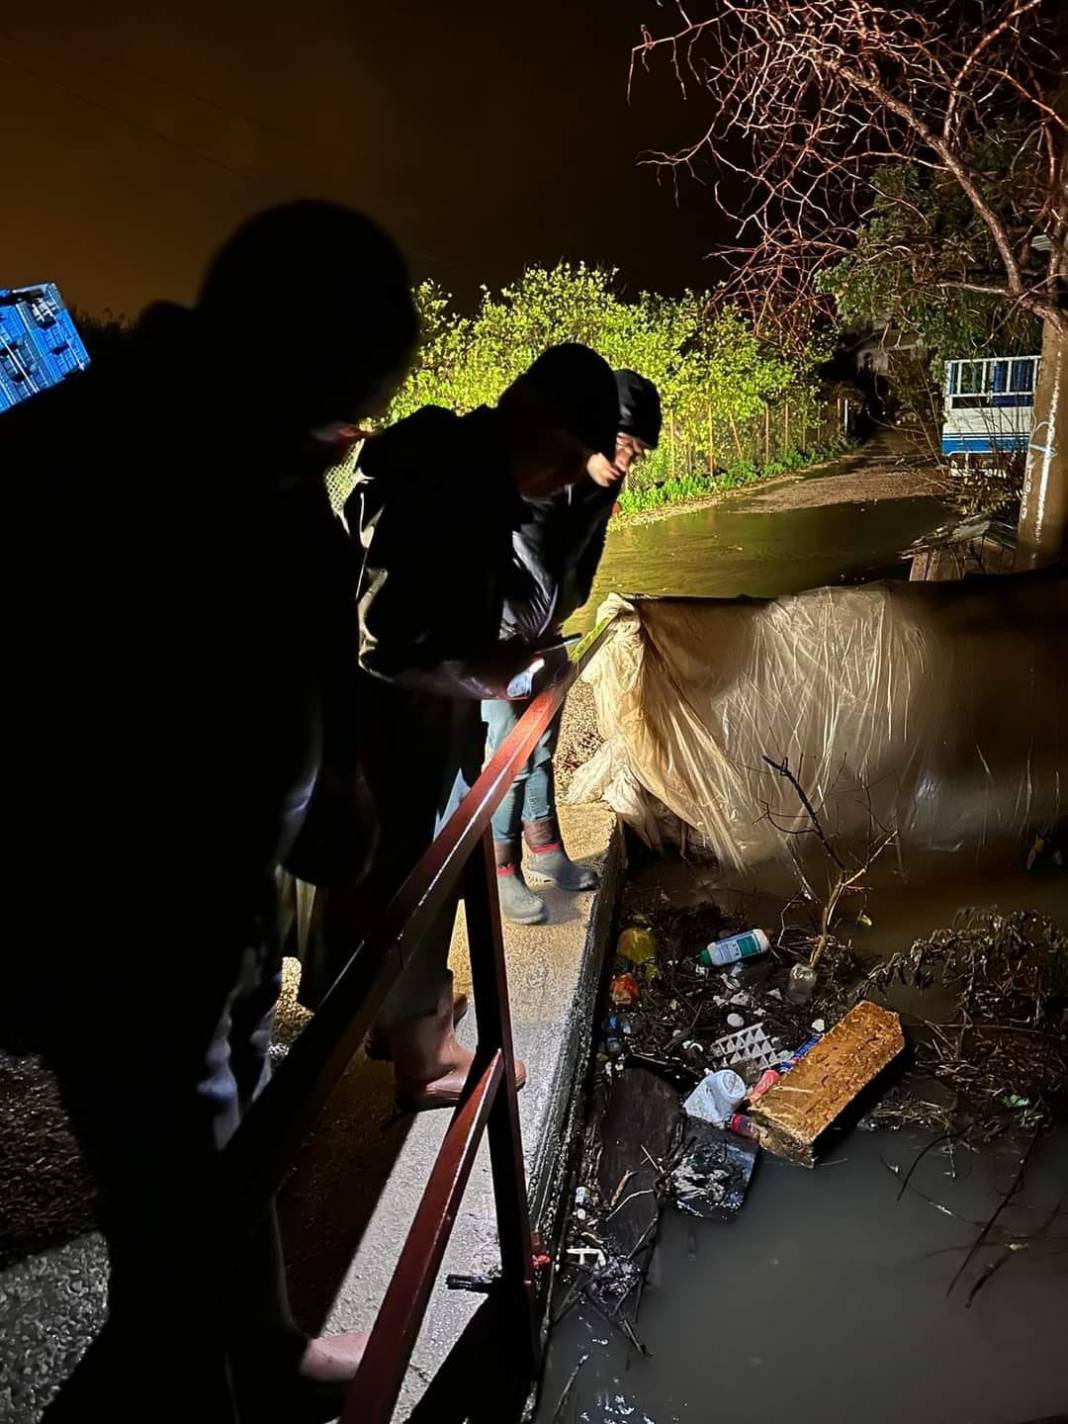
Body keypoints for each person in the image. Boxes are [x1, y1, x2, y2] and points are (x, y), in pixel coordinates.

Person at [2, 201, 418, 1422]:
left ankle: (271, 1344)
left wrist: (333, 786)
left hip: (220, 913)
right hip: (114, 941)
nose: (346, 441)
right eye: (341, 409)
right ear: (282, 367)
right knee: (172, 1194)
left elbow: (306, 678)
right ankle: (194, 1387)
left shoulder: (263, 467)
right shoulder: (68, 463)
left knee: (241, 1125)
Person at [291, 345, 620, 1112]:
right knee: (413, 880)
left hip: (405, 729)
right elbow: (388, 644)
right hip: (390, 734)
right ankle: (426, 1059)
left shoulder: (461, 470)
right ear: (534, 419)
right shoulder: (451, 484)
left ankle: (397, 1023)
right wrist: (493, 672)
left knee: (399, 878)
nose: (571, 483)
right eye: (570, 461)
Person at [486, 369, 662, 923]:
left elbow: (571, 566)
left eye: (636, 453)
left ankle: (545, 852)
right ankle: (502, 871)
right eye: (623, 446)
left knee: (541, 746)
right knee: (508, 756)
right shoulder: (532, 463)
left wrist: (555, 627)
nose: (626, 463)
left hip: (545, 631)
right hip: (496, 639)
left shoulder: (600, 484)